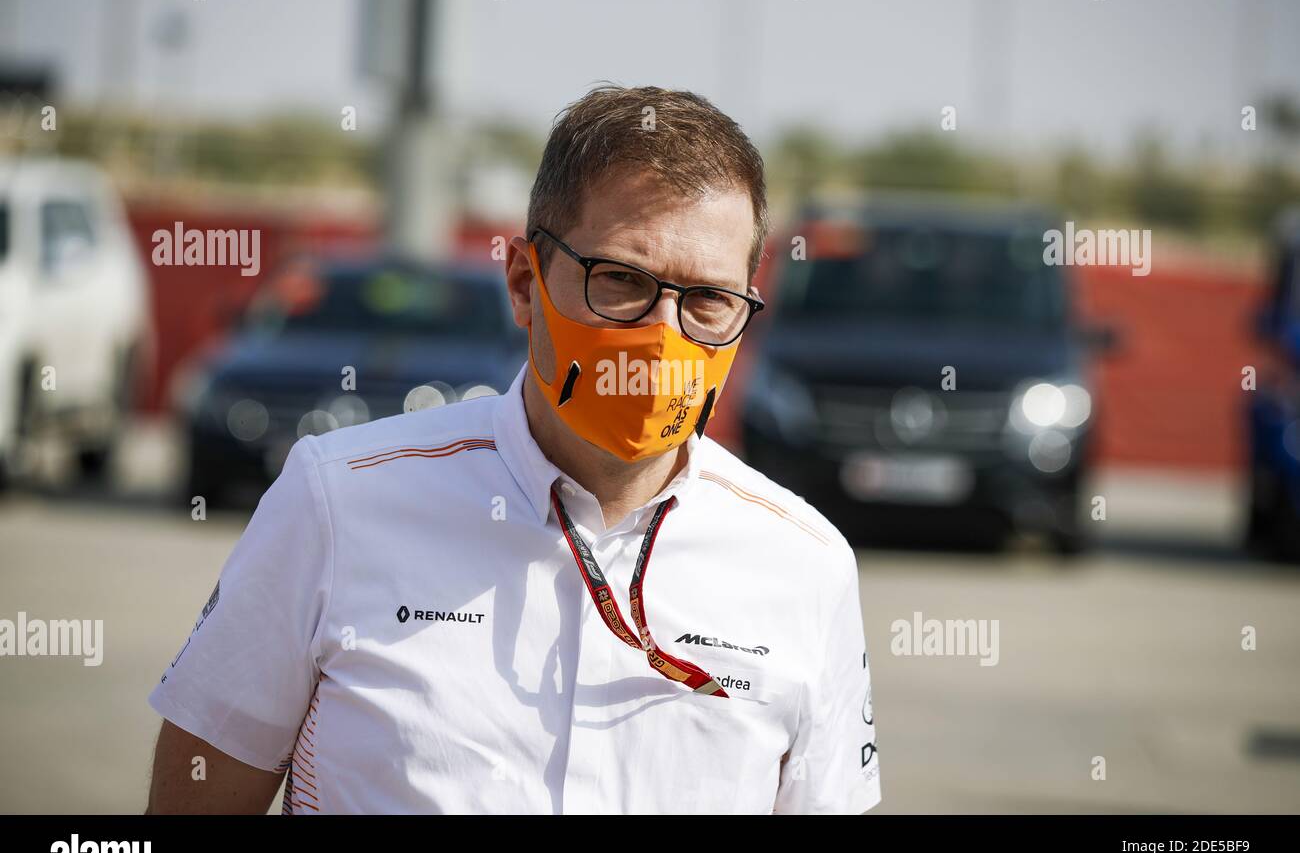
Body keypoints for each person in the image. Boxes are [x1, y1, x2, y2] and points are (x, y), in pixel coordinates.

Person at [145, 84, 881, 814]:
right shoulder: (338, 503)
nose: (663, 336)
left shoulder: (804, 565)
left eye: (707, 300)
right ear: (526, 283)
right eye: (621, 280)